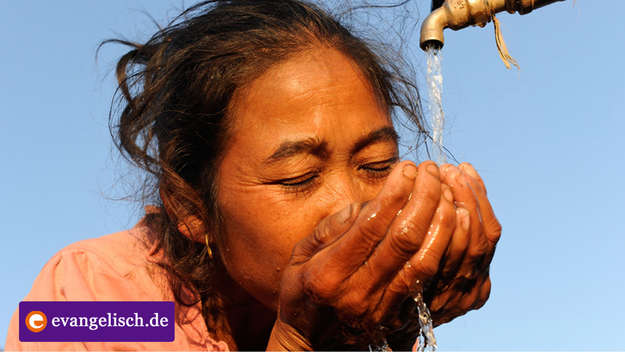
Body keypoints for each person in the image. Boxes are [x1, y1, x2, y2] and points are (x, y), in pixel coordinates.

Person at [5, 0, 501, 350]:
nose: (355, 206)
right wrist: (302, 342)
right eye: (298, 176)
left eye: (377, 166)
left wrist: (389, 334)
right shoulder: (94, 296)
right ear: (191, 208)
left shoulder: (366, 313)